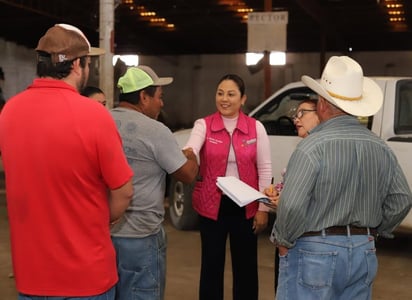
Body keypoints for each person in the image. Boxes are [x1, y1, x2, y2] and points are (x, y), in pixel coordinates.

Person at [0, 24, 134, 299]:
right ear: (77, 65)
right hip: (87, 277)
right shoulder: (95, 116)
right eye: (88, 63)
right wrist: (98, 220)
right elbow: (124, 191)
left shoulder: (9, 112)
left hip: (32, 277)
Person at [270, 56, 412, 300]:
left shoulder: (311, 147)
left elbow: (291, 205)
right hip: (362, 251)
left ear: (323, 104)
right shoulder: (379, 147)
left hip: (315, 252)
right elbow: (401, 198)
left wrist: (283, 240)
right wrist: (373, 232)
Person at [110, 65, 198, 300]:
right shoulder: (155, 130)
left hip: (102, 236)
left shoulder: (101, 121)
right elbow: (187, 175)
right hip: (141, 238)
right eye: (159, 97)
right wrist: (192, 157)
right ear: (143, 97)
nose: (162, 104)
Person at [184, 74, 272, 300]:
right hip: (212, 206)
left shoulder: (256, 128)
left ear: (243, 99)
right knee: (211, 266)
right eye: (220, 93)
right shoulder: (204, 125)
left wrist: (263, 209)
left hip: (246, 206)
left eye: (231, 94)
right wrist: (189, 154)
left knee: (246, 268)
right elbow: (192, 147)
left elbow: (265, 169)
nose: (224, 99)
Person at [265, 99, 320, 289]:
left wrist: (286, 202)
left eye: (302, 113)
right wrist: (276, 192)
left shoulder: (318, 151)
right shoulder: (303, 148)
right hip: (289, 234)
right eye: (295, 114)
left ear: (320, 113)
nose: (296, 119)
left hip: (304, 240)